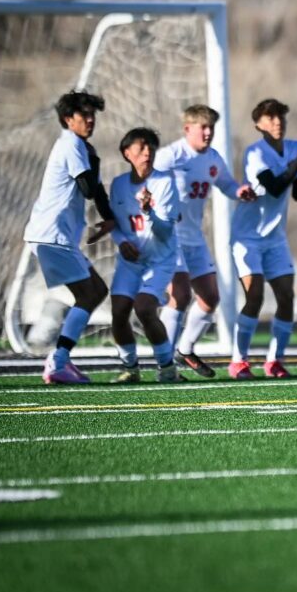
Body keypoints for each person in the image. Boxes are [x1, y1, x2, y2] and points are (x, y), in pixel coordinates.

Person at [154, 104, 255, 379]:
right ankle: (165, 365)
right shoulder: (169, 156)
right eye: (203, 127)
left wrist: (239, 191)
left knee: (210, 298)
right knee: (180, 295)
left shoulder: (213, 158)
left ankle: (185, 349)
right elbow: (144, 181)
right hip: (169, 236)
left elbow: (227, 184)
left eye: (211, 127)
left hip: (194, 237)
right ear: (188, 129)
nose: (208, 132)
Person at [23, 90, 115, 384]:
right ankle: (58, 361)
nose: (90, 120)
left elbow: (96, 191)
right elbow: (88, 189)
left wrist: (109, 219)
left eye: (92, 115)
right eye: (84, 115)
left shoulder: (81, 147)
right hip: (52, 235)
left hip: (57, 237)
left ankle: (61, 359)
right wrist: (94, 160)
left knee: (96, 290)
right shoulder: (71, 144)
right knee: (89, 294)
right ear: (67, 119)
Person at [229, 98, 297, 379]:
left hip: (275, 238)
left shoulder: (294, 147)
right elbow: (275, 187)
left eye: (280, 117)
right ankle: (239, 361)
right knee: (254, 296)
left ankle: (274, 361)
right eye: (270, 118)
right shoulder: (255, 153)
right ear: (258, 125)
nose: (277, 122)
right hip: (247, 237)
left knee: (286, 296)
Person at [107, 128, 185, 383]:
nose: (147, 151)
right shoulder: (119, 185)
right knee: (119, 311)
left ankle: (167, 368)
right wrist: (121, 242)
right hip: (131, 262)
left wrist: (149, 211)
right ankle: (130, 369)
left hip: (160, 260)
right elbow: (115, 224)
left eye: (151, 146)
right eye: (141, 147)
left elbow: (164, 232)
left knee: (144, 308)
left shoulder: (164, 183)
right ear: (126, 153)